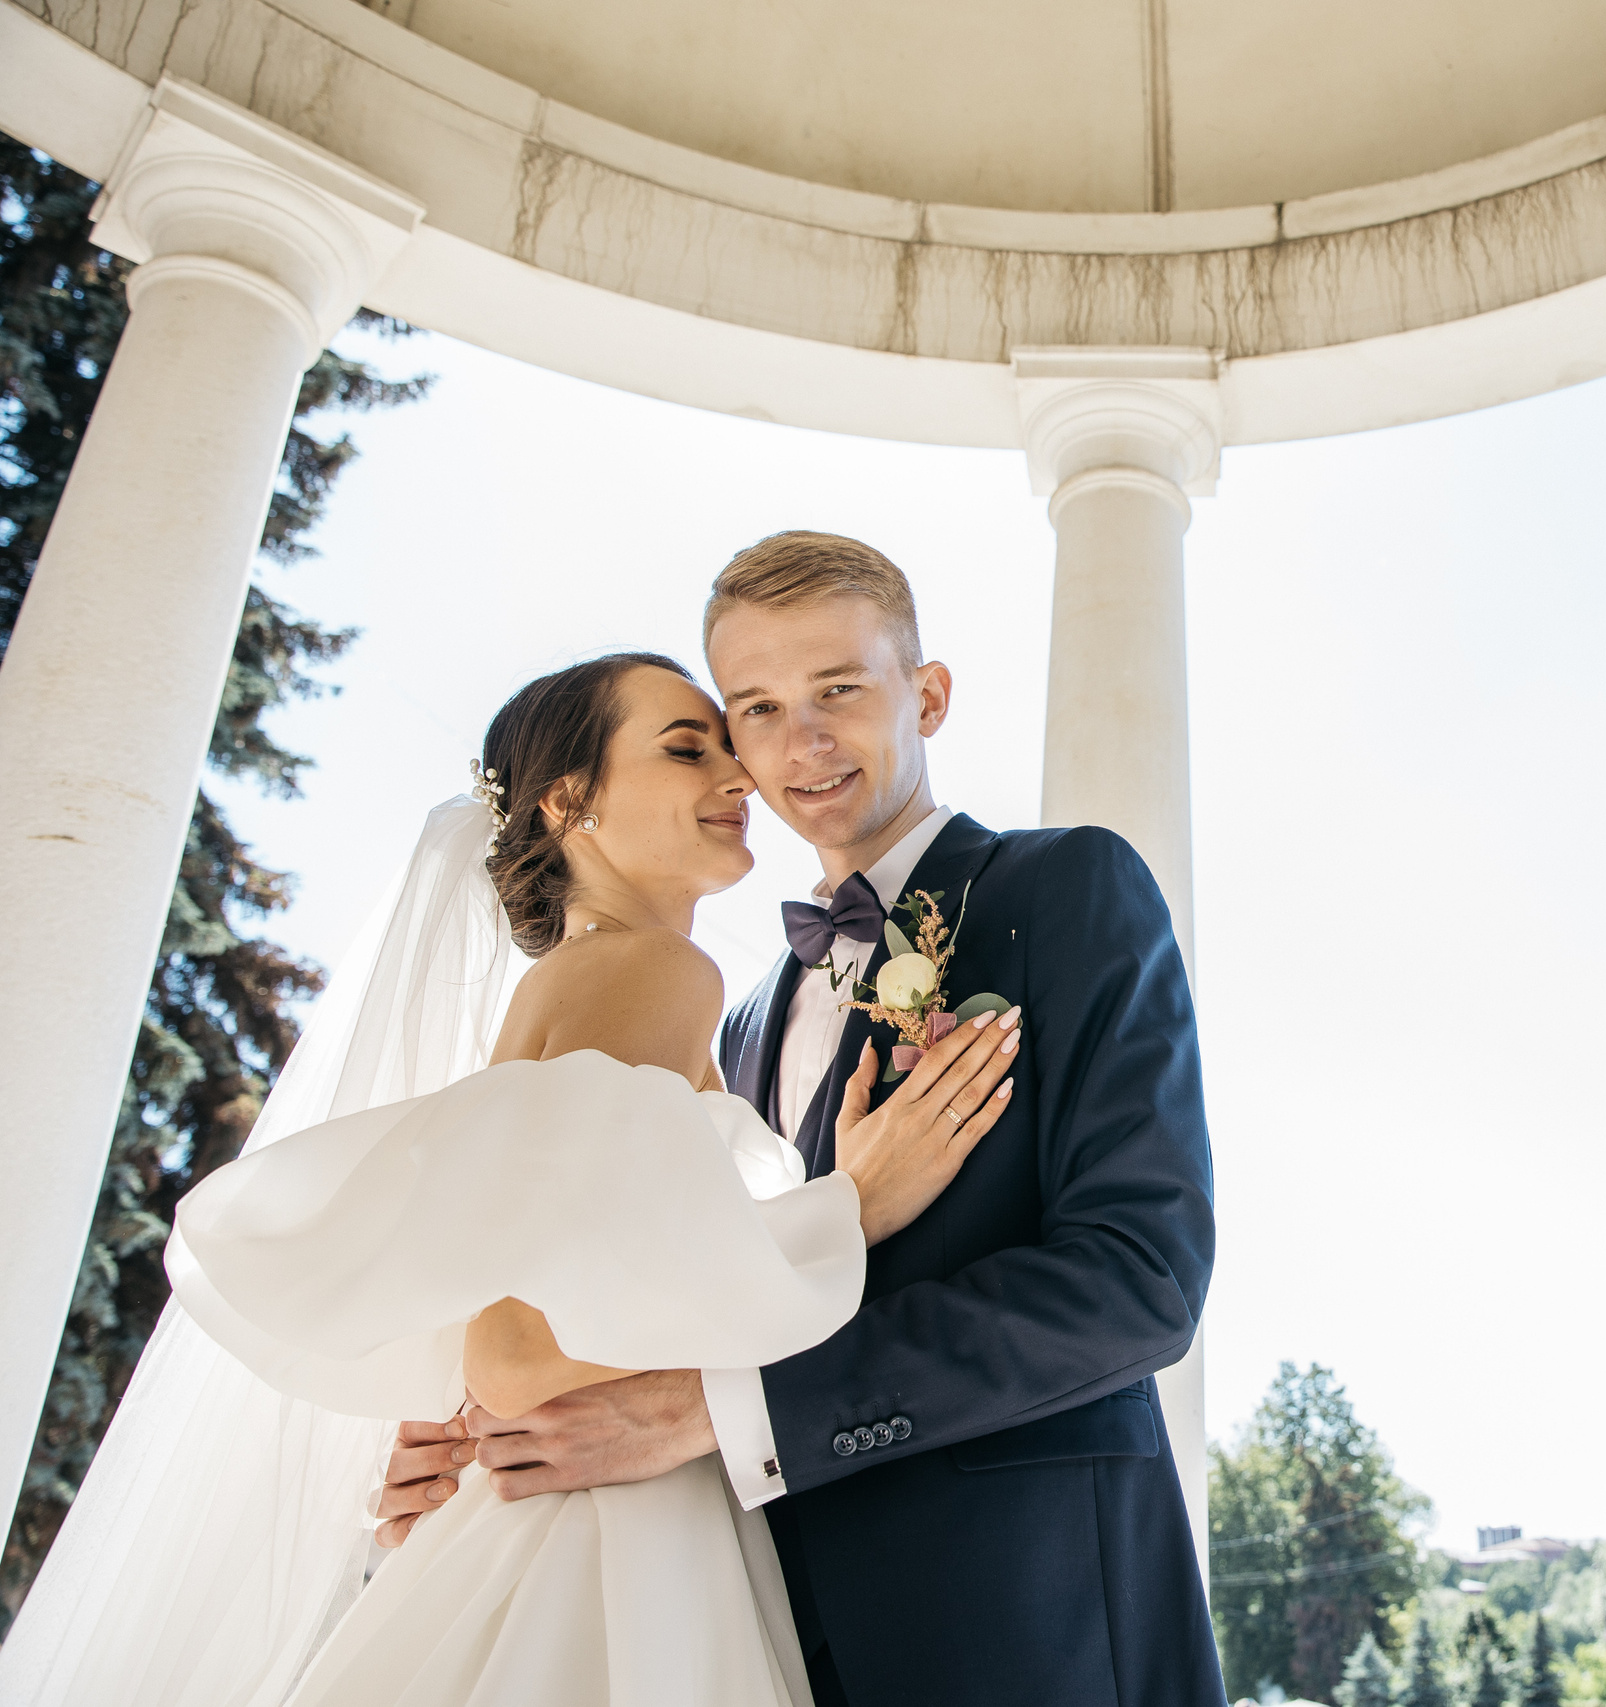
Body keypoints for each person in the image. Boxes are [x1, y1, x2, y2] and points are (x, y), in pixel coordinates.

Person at [0, 652, 1016, 1707]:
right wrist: (853, 1207)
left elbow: (515, 1312)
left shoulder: (577, 984)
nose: (740, 775)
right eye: (687, 748)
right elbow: (522, 1354)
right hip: (612, 1558)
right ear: (568, 801)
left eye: (727, 743)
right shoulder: (657, 972)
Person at [371, 533, 1223, 1705]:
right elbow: (662, 1298)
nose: (799, 744)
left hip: (1029, 1619)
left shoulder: (1066, 889)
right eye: (755, 708)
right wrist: (487, 1439)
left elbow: (1138, 1281)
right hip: (765, 1626)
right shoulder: (737, 1021)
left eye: (839, 690)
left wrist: (723, 1414)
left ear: (925, 695)